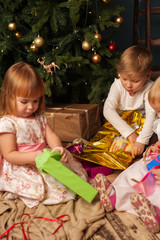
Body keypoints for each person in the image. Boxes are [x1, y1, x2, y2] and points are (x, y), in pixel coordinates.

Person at [0, 62, 88, 208]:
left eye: (36, 100)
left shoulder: (39, 116)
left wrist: (57, 148)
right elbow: (10, 155)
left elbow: (51, 135)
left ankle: (86, 190)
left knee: (69, 172)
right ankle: (17, 190)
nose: (31, 106)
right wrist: (35, 156)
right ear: (8, 97)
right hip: (22, 163)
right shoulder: (7, 123)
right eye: (24, 101)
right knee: (39, 186)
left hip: (45, 158)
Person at [94, 76, 160, 234]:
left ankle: (156, 214)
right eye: (158, 112)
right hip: (158, 159)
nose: (158, 116)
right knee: (137, 170)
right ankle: (116, 196)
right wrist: (155, 145)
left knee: (156, 187)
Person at [103, 45, 156, 158]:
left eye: (135, 81)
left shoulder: (149, 88)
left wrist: (141, 141)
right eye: (124, 79)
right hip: (122, 125)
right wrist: (130, 134)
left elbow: (151, 117)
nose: (128, 85)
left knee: (156, 133)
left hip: (143, 127)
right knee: (107, 142)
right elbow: (108, 110)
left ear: (147, 75)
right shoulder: (117, 86)